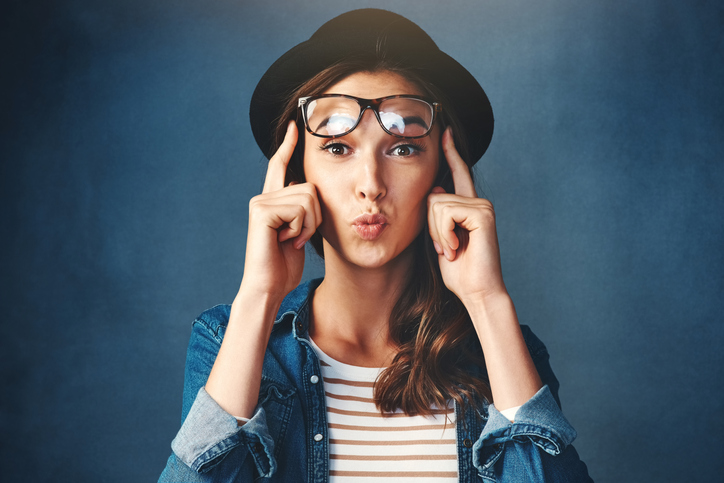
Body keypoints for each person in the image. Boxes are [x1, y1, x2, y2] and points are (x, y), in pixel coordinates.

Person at [159, 8, 593, 482]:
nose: (371, 184)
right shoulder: (227, 339)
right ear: (296, 176)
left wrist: (488, 303)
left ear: (440, 177)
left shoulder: (504, 351)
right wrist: (259, 298)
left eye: (403, 147)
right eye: (337, 147)